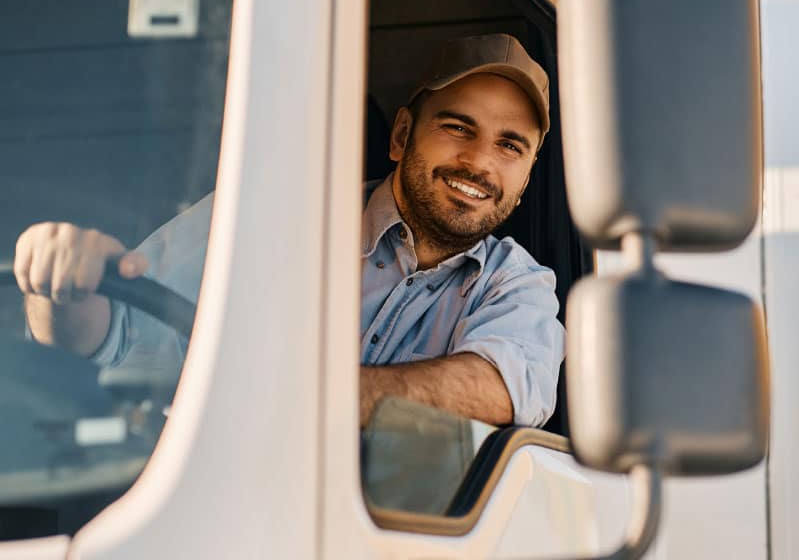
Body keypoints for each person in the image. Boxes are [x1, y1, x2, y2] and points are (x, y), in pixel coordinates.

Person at [13, 33, 563, 428]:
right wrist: (60, 284)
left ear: (526, 177)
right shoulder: (267, 214)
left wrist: (290, 401)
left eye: (509, 145)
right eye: (457, 127)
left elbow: (503, 388)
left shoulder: (518, 285)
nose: (478, 163)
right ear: (400, 136)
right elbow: (114, 334)